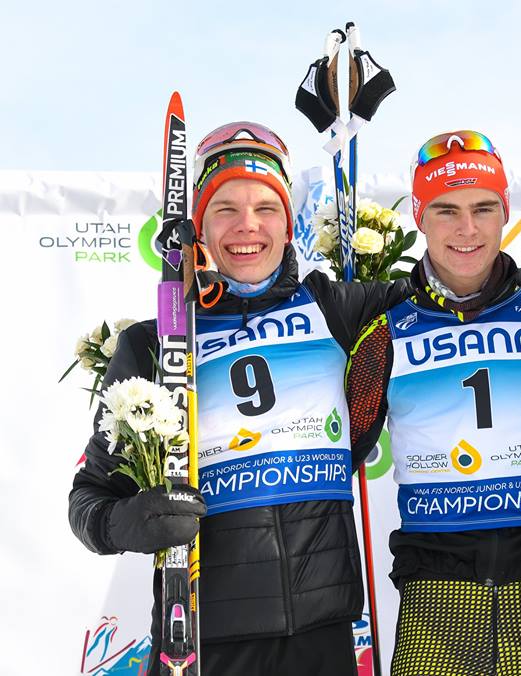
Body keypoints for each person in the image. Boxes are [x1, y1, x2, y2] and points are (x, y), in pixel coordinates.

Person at [69, 121, 410, 676]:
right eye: (225, 208)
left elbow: (454, 286)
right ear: (197, 226)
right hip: (203, 639)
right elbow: (88, 501)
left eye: (266, 208)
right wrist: (129, 521)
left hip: (322, 634)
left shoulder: (339, 311)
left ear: (289, 222)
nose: (246, 227)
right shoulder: (155, 345)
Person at [345, 130, 521, 676]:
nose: (467, 229)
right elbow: (331, 461)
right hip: (436, 600)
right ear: (419, 217)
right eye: (446, 210)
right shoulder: (386, 331)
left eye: (483, 208)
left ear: (505, 212)